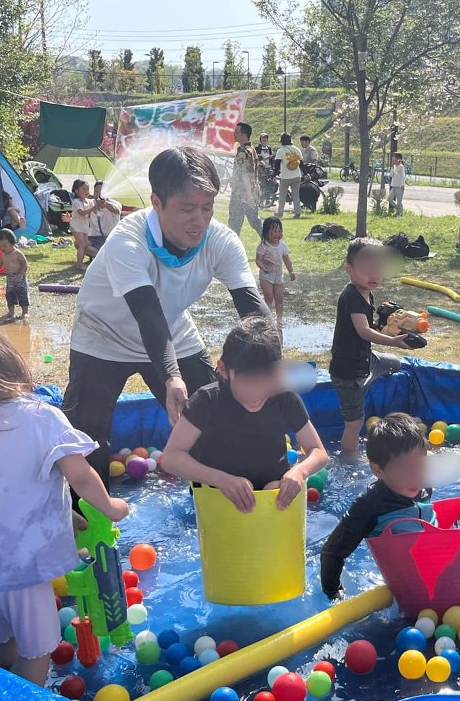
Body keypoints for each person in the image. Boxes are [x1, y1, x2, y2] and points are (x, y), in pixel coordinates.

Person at [0, 323, 129, 686]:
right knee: (37, 651)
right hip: (20, 563)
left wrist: (64, 513)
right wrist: (110, 506)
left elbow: (10, 486)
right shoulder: (42, 416)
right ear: (10, 362)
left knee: (0, 639)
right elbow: (80, 475)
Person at [62, 146, 269, 490]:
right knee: (86, 440)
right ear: (156, 202)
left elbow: (253, 311)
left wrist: (268, 367)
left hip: (173, 332)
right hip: (102, 337)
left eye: (207, 207)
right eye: (187, 208)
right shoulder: (128, 241)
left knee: (215, 424)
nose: (199, 220)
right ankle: (85, 516)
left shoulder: (220, 240)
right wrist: (171, 376)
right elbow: (147, 313)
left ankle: (213, 504)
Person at [320, 413, 460, 599]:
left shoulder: (422, 484)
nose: (415, 477)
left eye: (420, 466)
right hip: (419, 578)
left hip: (442, 552)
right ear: (378, 470)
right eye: (405, 469)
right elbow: (332, 552)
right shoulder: (370, 505)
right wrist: (334, 594)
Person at [160, 315, 327, 514]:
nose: (257, 393)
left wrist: (299, 471)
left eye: (267, 382)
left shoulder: (284, 398)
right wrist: (222, 480)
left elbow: (318, 451)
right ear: (223, 369)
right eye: (249, 382)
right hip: (218, 496)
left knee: (275, 489)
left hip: (273, 495)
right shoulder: (207, 401)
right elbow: (171, 457)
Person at [331, 237, 416, 459]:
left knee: (395, 364)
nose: (374, 275)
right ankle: (348, 459)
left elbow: (372, 327)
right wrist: (394, 342)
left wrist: (390, 326)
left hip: (366, 359)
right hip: (348, 371)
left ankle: (372, 388)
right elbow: (363, 331)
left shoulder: (367, 292)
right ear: (349, 269)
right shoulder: (352, 296)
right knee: (354, 423)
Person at [256, 216, 294, 330]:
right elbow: (258, 260)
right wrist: (263, 267)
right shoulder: (263, 246)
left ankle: (279, 320)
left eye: (279, 231)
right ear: (266, 232)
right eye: (274, 231)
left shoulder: (282, 245)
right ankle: (268, 320)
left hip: (278, 276)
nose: (278, 234)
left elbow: (286, 259)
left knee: (279, 299)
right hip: (266, 276)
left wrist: (291, 271)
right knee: (269, 297)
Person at [228, 121, 262, 237]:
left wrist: (248, 195)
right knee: (255, 222)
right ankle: (271, 242)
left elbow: (245, 174)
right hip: (251, 192)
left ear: (244, 135)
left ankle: (231, 248)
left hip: (241, 195)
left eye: (237, 132)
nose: (234, 134)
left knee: (234, 225)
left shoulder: (243, 152)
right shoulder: (251, 149)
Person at [0, 228, 29, 322]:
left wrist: (20, 275)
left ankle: (25, 312)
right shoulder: (2, 254)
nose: (3, 248)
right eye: (0, 246)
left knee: (22, 294)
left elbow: (25, 264)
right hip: (9, 277)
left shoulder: (17, 253)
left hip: (19, 276)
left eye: (5, 245)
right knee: (9, 295)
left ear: (12, 243)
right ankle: (11, 312)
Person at [83, 181, 123, 258]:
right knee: (79, 244)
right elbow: (81, 210)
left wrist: (105, 204)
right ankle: (102, 257)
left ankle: (102, 257)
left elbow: (117, 210)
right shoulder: (90, 203)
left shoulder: (114, 203)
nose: (98, 194)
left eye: (101, 192)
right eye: (96, 191)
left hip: (110, 238)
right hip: (94, 238)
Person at [275, 133, 303, 219]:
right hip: (297, 176)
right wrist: (306, 173)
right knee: (296, 196)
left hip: (285, 176)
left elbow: (277, 164)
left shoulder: (280, 151)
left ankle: (280, 213)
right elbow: (301, 163)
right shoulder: (297, 149)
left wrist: (275, 174)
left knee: (282, 196)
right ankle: (297, 212)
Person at [69, 180, 93, 269]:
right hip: (76, 227)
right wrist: (93, 208)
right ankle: (79, 264)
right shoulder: (76, 202)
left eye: (88, 189)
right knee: (82, 245)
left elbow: (89, 214)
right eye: (84, 189)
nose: (87, 191)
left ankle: (81, 263)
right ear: (76, 191)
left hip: (84, 227)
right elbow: (81, 213)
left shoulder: (88, 202)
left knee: (85, 245)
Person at [388, 152, 407, 216]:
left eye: (395, 157)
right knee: (389, 198)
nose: (393, 158)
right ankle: (399, 209)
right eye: (393, 157)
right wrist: (392, 167)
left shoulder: (401, 167)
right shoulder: (394, 167)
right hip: (394, 186)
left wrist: (402, 185)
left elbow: (403, 176)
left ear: (399, 159)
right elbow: (391, 175)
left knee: (399, 201)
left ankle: (399, 214)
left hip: (399, 186)